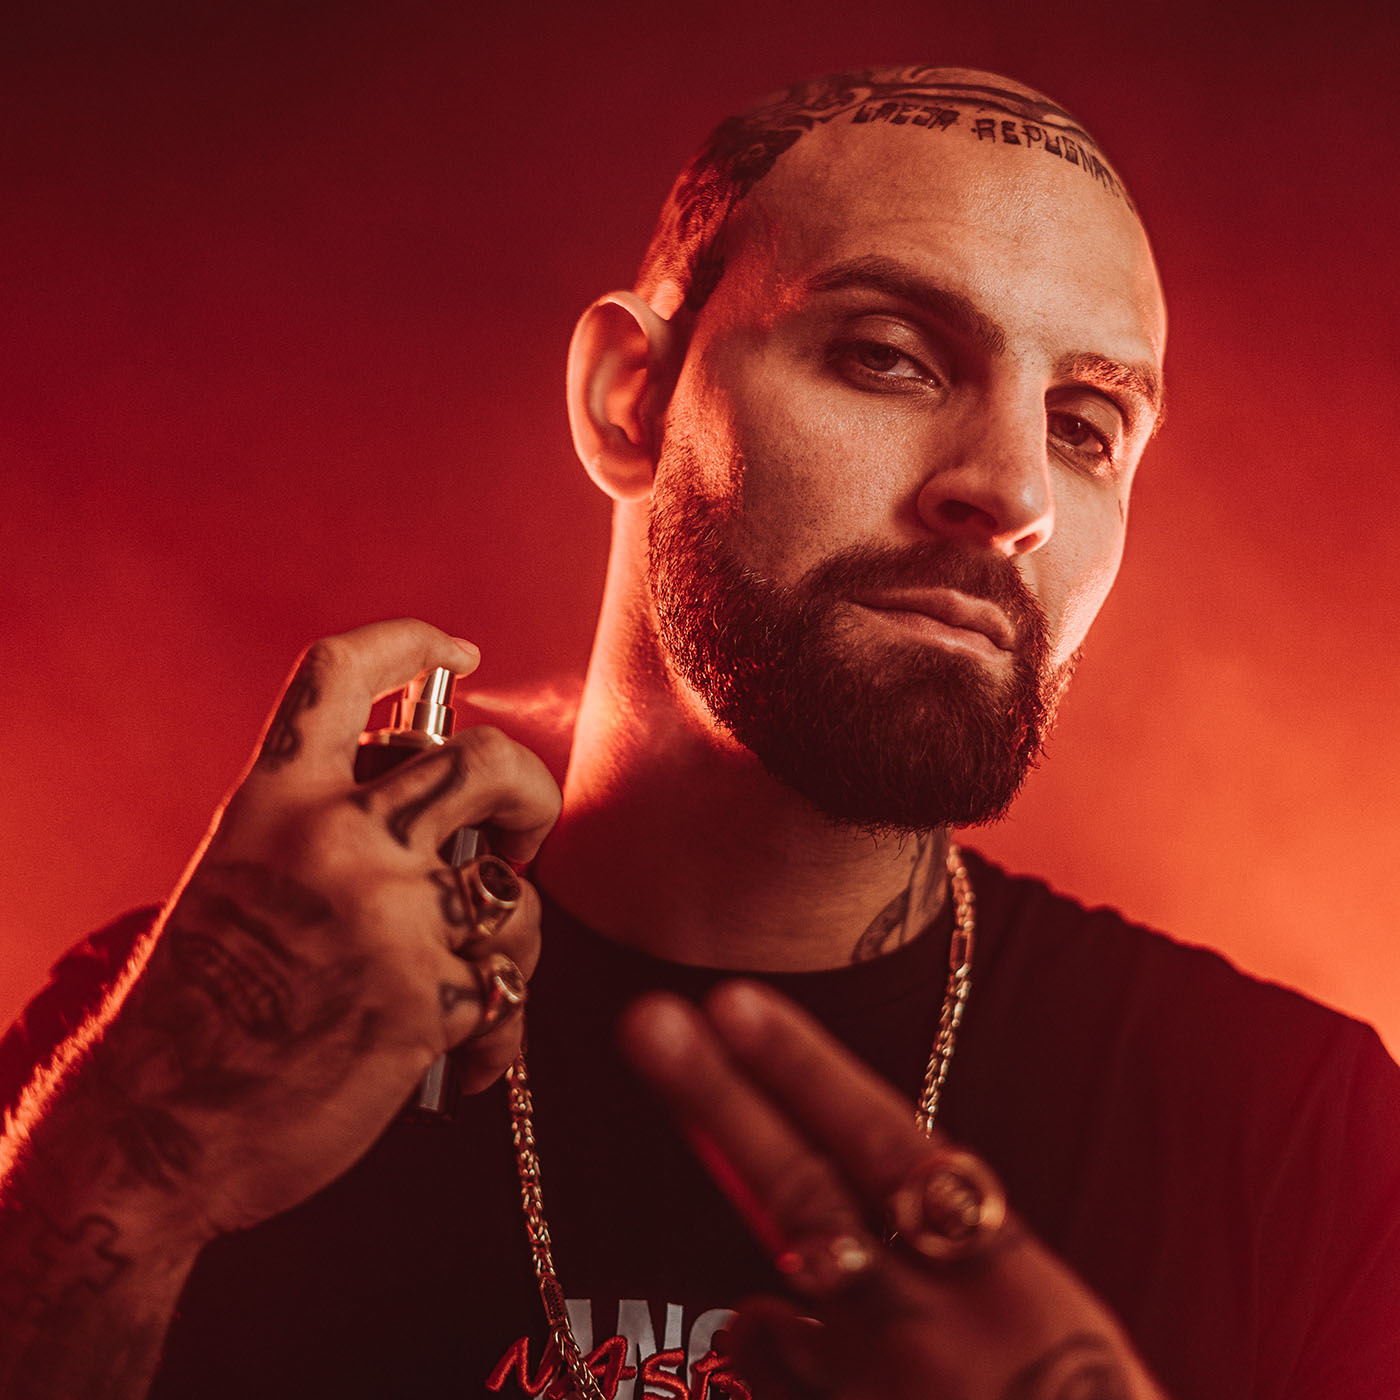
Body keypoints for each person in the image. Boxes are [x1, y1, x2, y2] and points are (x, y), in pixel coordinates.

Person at [1, 65, 1397, 1400]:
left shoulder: (1297, 1133)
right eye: (890, 357)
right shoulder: (165, 1037)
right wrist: (138, 1166)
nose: (1014, 491)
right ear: (632, 399)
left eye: (1086, 426)